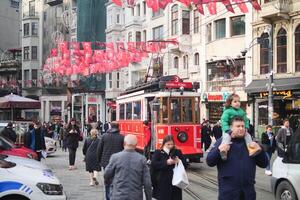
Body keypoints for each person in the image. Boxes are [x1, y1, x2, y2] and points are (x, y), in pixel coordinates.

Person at [206, 116, 268, 200]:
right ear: (231, 128)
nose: (241, 128)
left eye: (243, 126)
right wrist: (218, 150)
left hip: (248, 194)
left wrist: (260, 150)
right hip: (228, 194)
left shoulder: (251, 144)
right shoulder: (222, 142)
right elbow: (209, 162)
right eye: (238, 126)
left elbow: (264, 164)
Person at [104, 134, 152, 200]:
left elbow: (107, 174)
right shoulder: (141, 159)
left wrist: (110, 185)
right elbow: (147, 183)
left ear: (124, 143)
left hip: (118, 195)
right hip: (135, 196)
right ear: (136, 145)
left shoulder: (115, 157)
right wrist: (148, 198)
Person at [220, 93, 260, 160]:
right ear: (230, 103)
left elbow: (246, 120)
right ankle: (224, 151)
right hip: (229, 128)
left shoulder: (241, 111)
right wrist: (228, 131)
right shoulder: (227, 111)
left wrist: (246, 127)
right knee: (226, 137)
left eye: (239, 101)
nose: (237, 103)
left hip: (240, 128)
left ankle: (251, 149)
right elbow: (224, 121)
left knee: (248, 136)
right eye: (235, 101)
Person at [151, 135, 187, 200]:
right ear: (164, 144)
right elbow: (154, 164)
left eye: (172, 144)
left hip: (175, 183)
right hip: (162, 184)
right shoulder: (158, 152)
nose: (170, 146)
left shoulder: (177, 152)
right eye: (168, 144)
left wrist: (179, 161)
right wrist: (166, 162)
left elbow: (185, 164)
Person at [97, 122, 124, 200]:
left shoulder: (104, 136)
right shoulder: (121, 137)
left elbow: (99, 149)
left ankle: (108, 197)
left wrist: (99, 161)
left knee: (107, 181)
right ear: (118, 127)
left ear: (110, 127)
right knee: (118, 180)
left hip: (106, 162)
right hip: (118, 162)